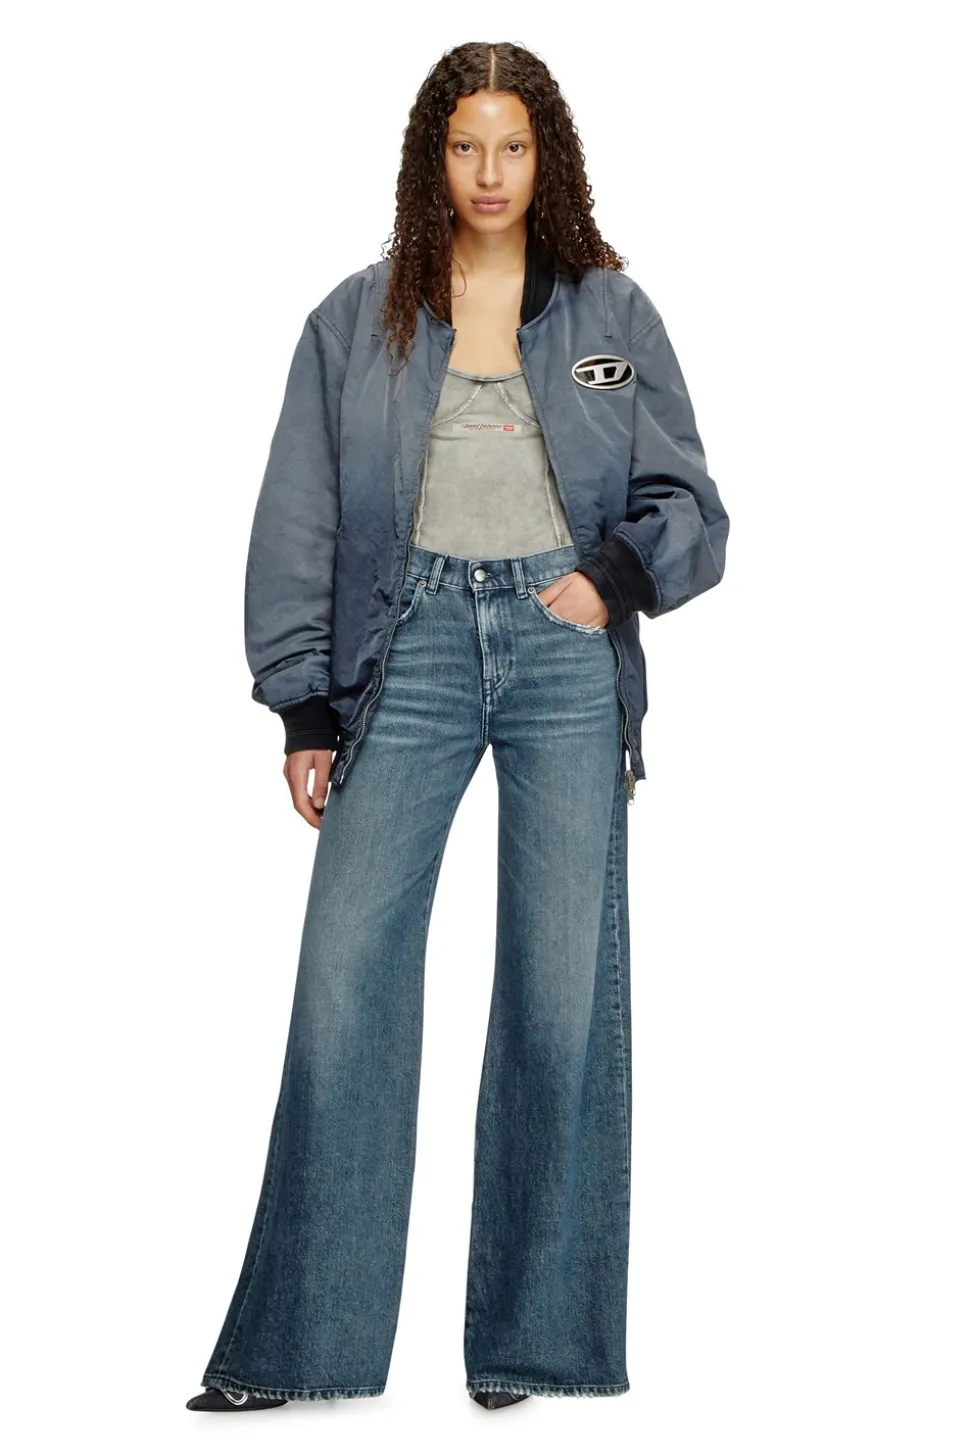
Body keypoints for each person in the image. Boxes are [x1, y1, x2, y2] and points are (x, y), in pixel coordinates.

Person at [186, 40, 729, 1414]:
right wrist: (302, 703)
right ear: (432, 159)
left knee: (560, 990)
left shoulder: (611, 311)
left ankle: (531, 1343)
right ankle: (299, 1345)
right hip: (406, 649)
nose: (490, 172)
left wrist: (607, 580)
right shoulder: (354, 319)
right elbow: (298, 516)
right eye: (465, 145)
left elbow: (688, 505)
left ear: (549, 159)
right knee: (346, 973)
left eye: (513, 146)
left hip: (563, 654)